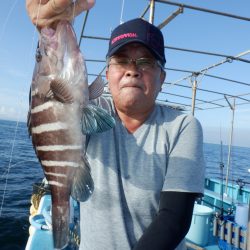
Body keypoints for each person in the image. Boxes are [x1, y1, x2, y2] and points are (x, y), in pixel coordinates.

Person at [26, 1, 205, 250]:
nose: (132, 70)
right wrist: (46, 27)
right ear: (107, 73)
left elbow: (174, 219)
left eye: (146, 62)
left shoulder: (182, 126)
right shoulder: (93, 109)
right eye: (122, 60)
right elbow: (52, 99)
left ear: (161, 77)